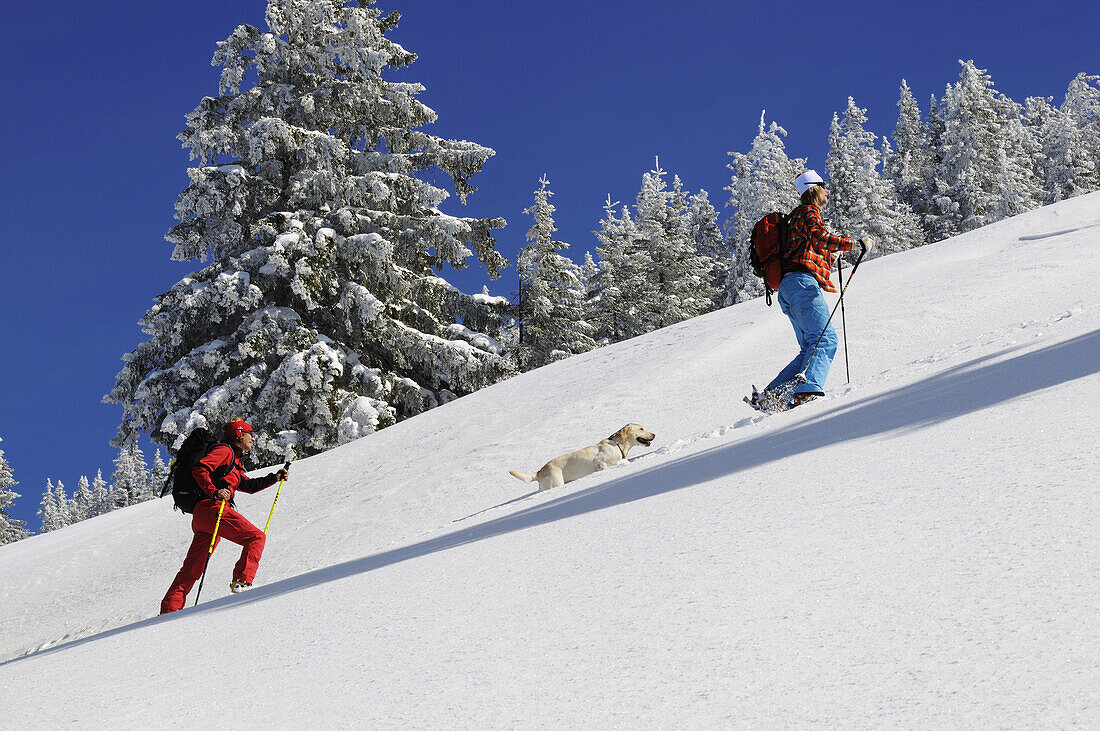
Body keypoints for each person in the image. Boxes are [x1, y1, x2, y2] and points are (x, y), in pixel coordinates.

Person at [753, 170, 873, 411]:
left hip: (790, 288)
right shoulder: (808, 212)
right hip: (801, 284)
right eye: (823, 185)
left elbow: (810, 247)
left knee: (811, 346)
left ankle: (770, 396)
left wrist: (831, 255)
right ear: (812, 189)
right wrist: (854, 244)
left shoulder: (798, 218)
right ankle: (807, 391)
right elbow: (820, 236)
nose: (827, 189)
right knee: (826, 340)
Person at [160, 419, 289, 613]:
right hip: (213, 509)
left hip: (204, 516)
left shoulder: (234, 463)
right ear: (239, 434)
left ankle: (169, 608)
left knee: (193, 567)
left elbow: (248, 486)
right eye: (249, 433)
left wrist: (275, 477)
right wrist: (214, 491)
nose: (253, 438)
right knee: (256, 537)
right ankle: (242, 583)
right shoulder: (225, 452)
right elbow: (200, 469)